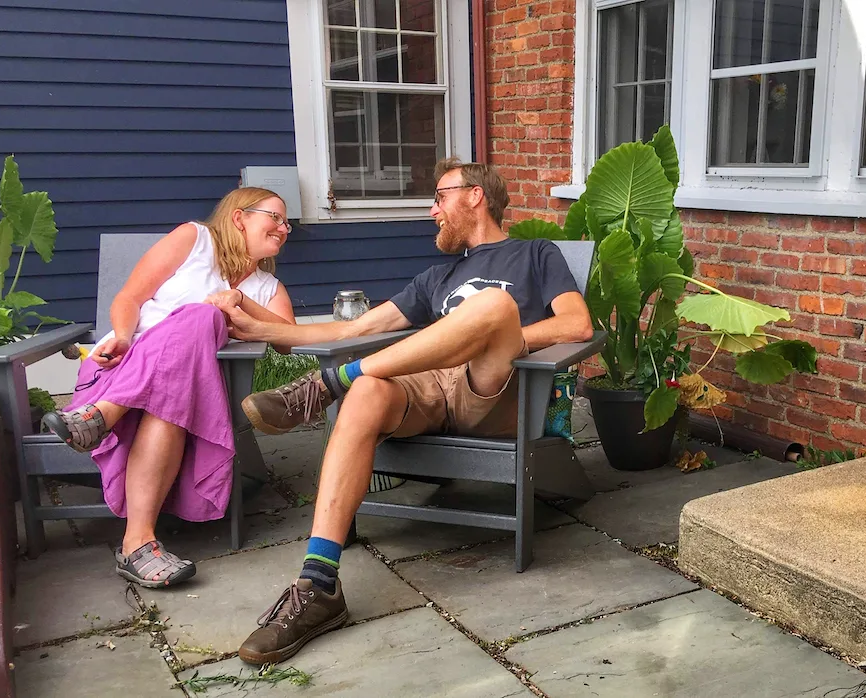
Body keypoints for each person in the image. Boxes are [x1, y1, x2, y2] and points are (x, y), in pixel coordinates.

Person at [207, 159, 593, 665]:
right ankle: (318, 583)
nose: (432, 211)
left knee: (494, 308)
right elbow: (349, 331)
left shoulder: (536, 254)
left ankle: (328, 384)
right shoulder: (436, 276)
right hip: (427, 385)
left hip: (497, 388)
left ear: (474, 195)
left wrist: (502, 336)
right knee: (367, 393)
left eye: (439, 197)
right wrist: (255, 320)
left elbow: (577, 324)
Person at [42, 187, 296, 588]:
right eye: (275, 218)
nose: (285, 229)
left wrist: (239, 302)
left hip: (186, 394)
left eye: (287, 223)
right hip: (123, 367)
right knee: (197, 333)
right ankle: (137, 544)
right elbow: (130, 297)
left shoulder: (267, 288)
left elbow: (287, 338)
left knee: (200, 323)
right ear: (239, 218)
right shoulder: (193, 239)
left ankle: (101, 420)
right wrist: (124, 336)